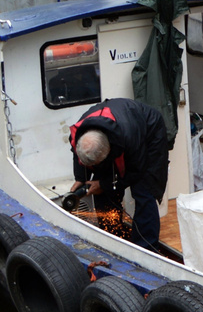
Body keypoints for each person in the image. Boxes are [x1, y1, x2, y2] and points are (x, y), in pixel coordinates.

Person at [69, 97, 174, 249]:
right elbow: (76, 152)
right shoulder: (79, 134)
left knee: (144, 191)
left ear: (109, 151)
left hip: (149, 133)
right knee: (102, 193)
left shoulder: (130, 137)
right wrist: (80, 178)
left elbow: (136, 171)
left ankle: (145, 248)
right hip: (117, 131)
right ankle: (114, 241)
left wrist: (104, 184)